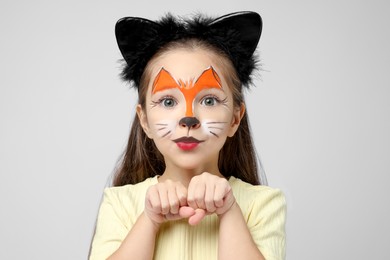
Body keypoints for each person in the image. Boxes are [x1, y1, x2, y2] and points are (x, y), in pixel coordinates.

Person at [89, 11, 286, 260]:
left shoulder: (262, 204)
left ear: (235, 119)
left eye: (209, 99)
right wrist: (149, 219)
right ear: (145, 120)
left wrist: (229, 210)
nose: (188, 118)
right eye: (168, 101)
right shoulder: (120, 203)